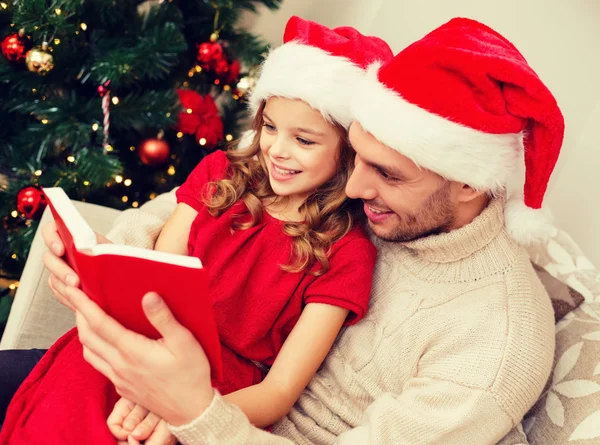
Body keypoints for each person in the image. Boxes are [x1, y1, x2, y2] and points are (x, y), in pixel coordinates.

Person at [8, 16, 564, 445]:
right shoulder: (385, 204)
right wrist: (110, 256)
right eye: (357, 160)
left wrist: (192, 411)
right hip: (164, 376)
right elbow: (193, 214)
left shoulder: (494, 345)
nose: (352, 190)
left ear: (469, 182)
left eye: (387, 174)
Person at [0, 17, 393, 445]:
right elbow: (157, 276)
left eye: (305, 140)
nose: (277, 150)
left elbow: (277, 393)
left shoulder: (347, 253)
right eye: (270, 127)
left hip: (216, 395)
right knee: (68, 400)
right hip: (138, 348)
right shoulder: (221, 173)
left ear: (348, 154)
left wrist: (178, 410)